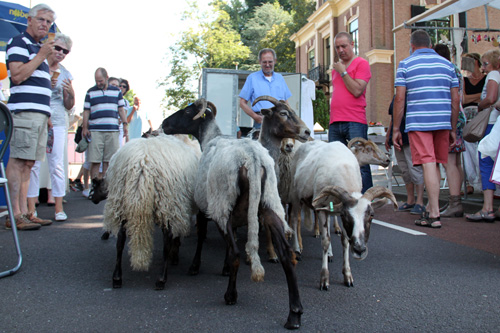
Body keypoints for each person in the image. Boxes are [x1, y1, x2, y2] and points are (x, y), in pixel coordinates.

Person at [393, 30, 459, 229]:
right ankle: (432, 207)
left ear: (412, 46)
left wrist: (396, 128)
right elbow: (456, 99)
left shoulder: (405, 64)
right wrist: (453, 127)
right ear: (430, 46)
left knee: (428, 164)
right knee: (437, 163)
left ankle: (434, 213)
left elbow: (400, 98)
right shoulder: (448, 65)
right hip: (442, 121)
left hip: (419, 121)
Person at [4, 3, 57, 230]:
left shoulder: (38, 48)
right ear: (30, 20)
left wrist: (46, 115)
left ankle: (26, 212)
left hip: (38, 114)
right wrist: (42, 55)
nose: (45, 25)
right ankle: (14, 215)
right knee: (18, 161)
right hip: (23, 113)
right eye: (41, 20)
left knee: (29, 163)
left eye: (48, 22)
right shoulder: (19, 43)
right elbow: (16, 76)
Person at [27, 33, 75, 222]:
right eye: (58, 48)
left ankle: (58, 208)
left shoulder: (65, 73)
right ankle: (31, 210)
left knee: (56, 164)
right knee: (34, 164)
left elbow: (69, 105)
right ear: (51, 46)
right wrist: (47, 84)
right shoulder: (38, 66)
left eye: (65, 51)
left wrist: (70, 93)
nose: (61, 53)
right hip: (38, 117)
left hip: (58, 121)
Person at [328, 32, 372, 193]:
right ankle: (343, 199)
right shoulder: (336, 70)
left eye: (344, 46)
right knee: (336, 163)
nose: (340, 50)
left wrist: (343, 72)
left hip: (355, 121)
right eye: (337, 47)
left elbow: (357, 90)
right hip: (335, 122)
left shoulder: (361, 64)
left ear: (352, 44)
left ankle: (365, 201)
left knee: (360, 163)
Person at [465, 49, 500, 222]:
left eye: (485, 64)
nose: (484, 68)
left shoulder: (493, 74)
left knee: (485, 160)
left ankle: (487, 208)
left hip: (492, 124)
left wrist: (481, 105)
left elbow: (491, 97)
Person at [82, 68, 128, 198]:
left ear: (106, 77)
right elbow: (86, 110)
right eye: (96, 81)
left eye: (101, 80)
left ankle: (107, 188)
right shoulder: (90, 92)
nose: (99, 83)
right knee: (95, 160)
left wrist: (125, 124)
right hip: (95, 130)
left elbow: (121, 109)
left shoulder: (116, 92)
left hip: (112, 129)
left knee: (109, 160)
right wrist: (85, 127)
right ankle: (95, 188)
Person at [433, 44, 466, 218]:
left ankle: (455, 202)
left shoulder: (443, 69)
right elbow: (462, 97)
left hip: (448, 117)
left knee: (448, 162)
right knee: (456, 162)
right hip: (459, 115)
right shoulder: (457, 70)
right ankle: (456, 197)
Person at [385, 96, 425, 215]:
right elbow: (393, 117)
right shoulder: (396, 96)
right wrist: (388, 135)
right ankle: (410, 199)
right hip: (397, 136)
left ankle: (420, 201)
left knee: (414, 168)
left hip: (410, 135)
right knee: (404, 169)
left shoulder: (414, 93)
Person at [239, 48, 292, 136]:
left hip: (280, 121)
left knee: (282, 148)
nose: (267, 65)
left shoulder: (280, 78)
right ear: (260, 62)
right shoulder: (252, 78)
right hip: (261, 122)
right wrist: (256, 117)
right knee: (260, 149)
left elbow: (285, 102)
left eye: (270, 62)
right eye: (264, 62)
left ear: (275, 61)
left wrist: (291, 117)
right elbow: (242, 103)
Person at [119, 79, 131, 144]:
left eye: (124, 86)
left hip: (120, 128)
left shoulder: (126, 102)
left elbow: (125, 115)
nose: (121, 88)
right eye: (120, 85)